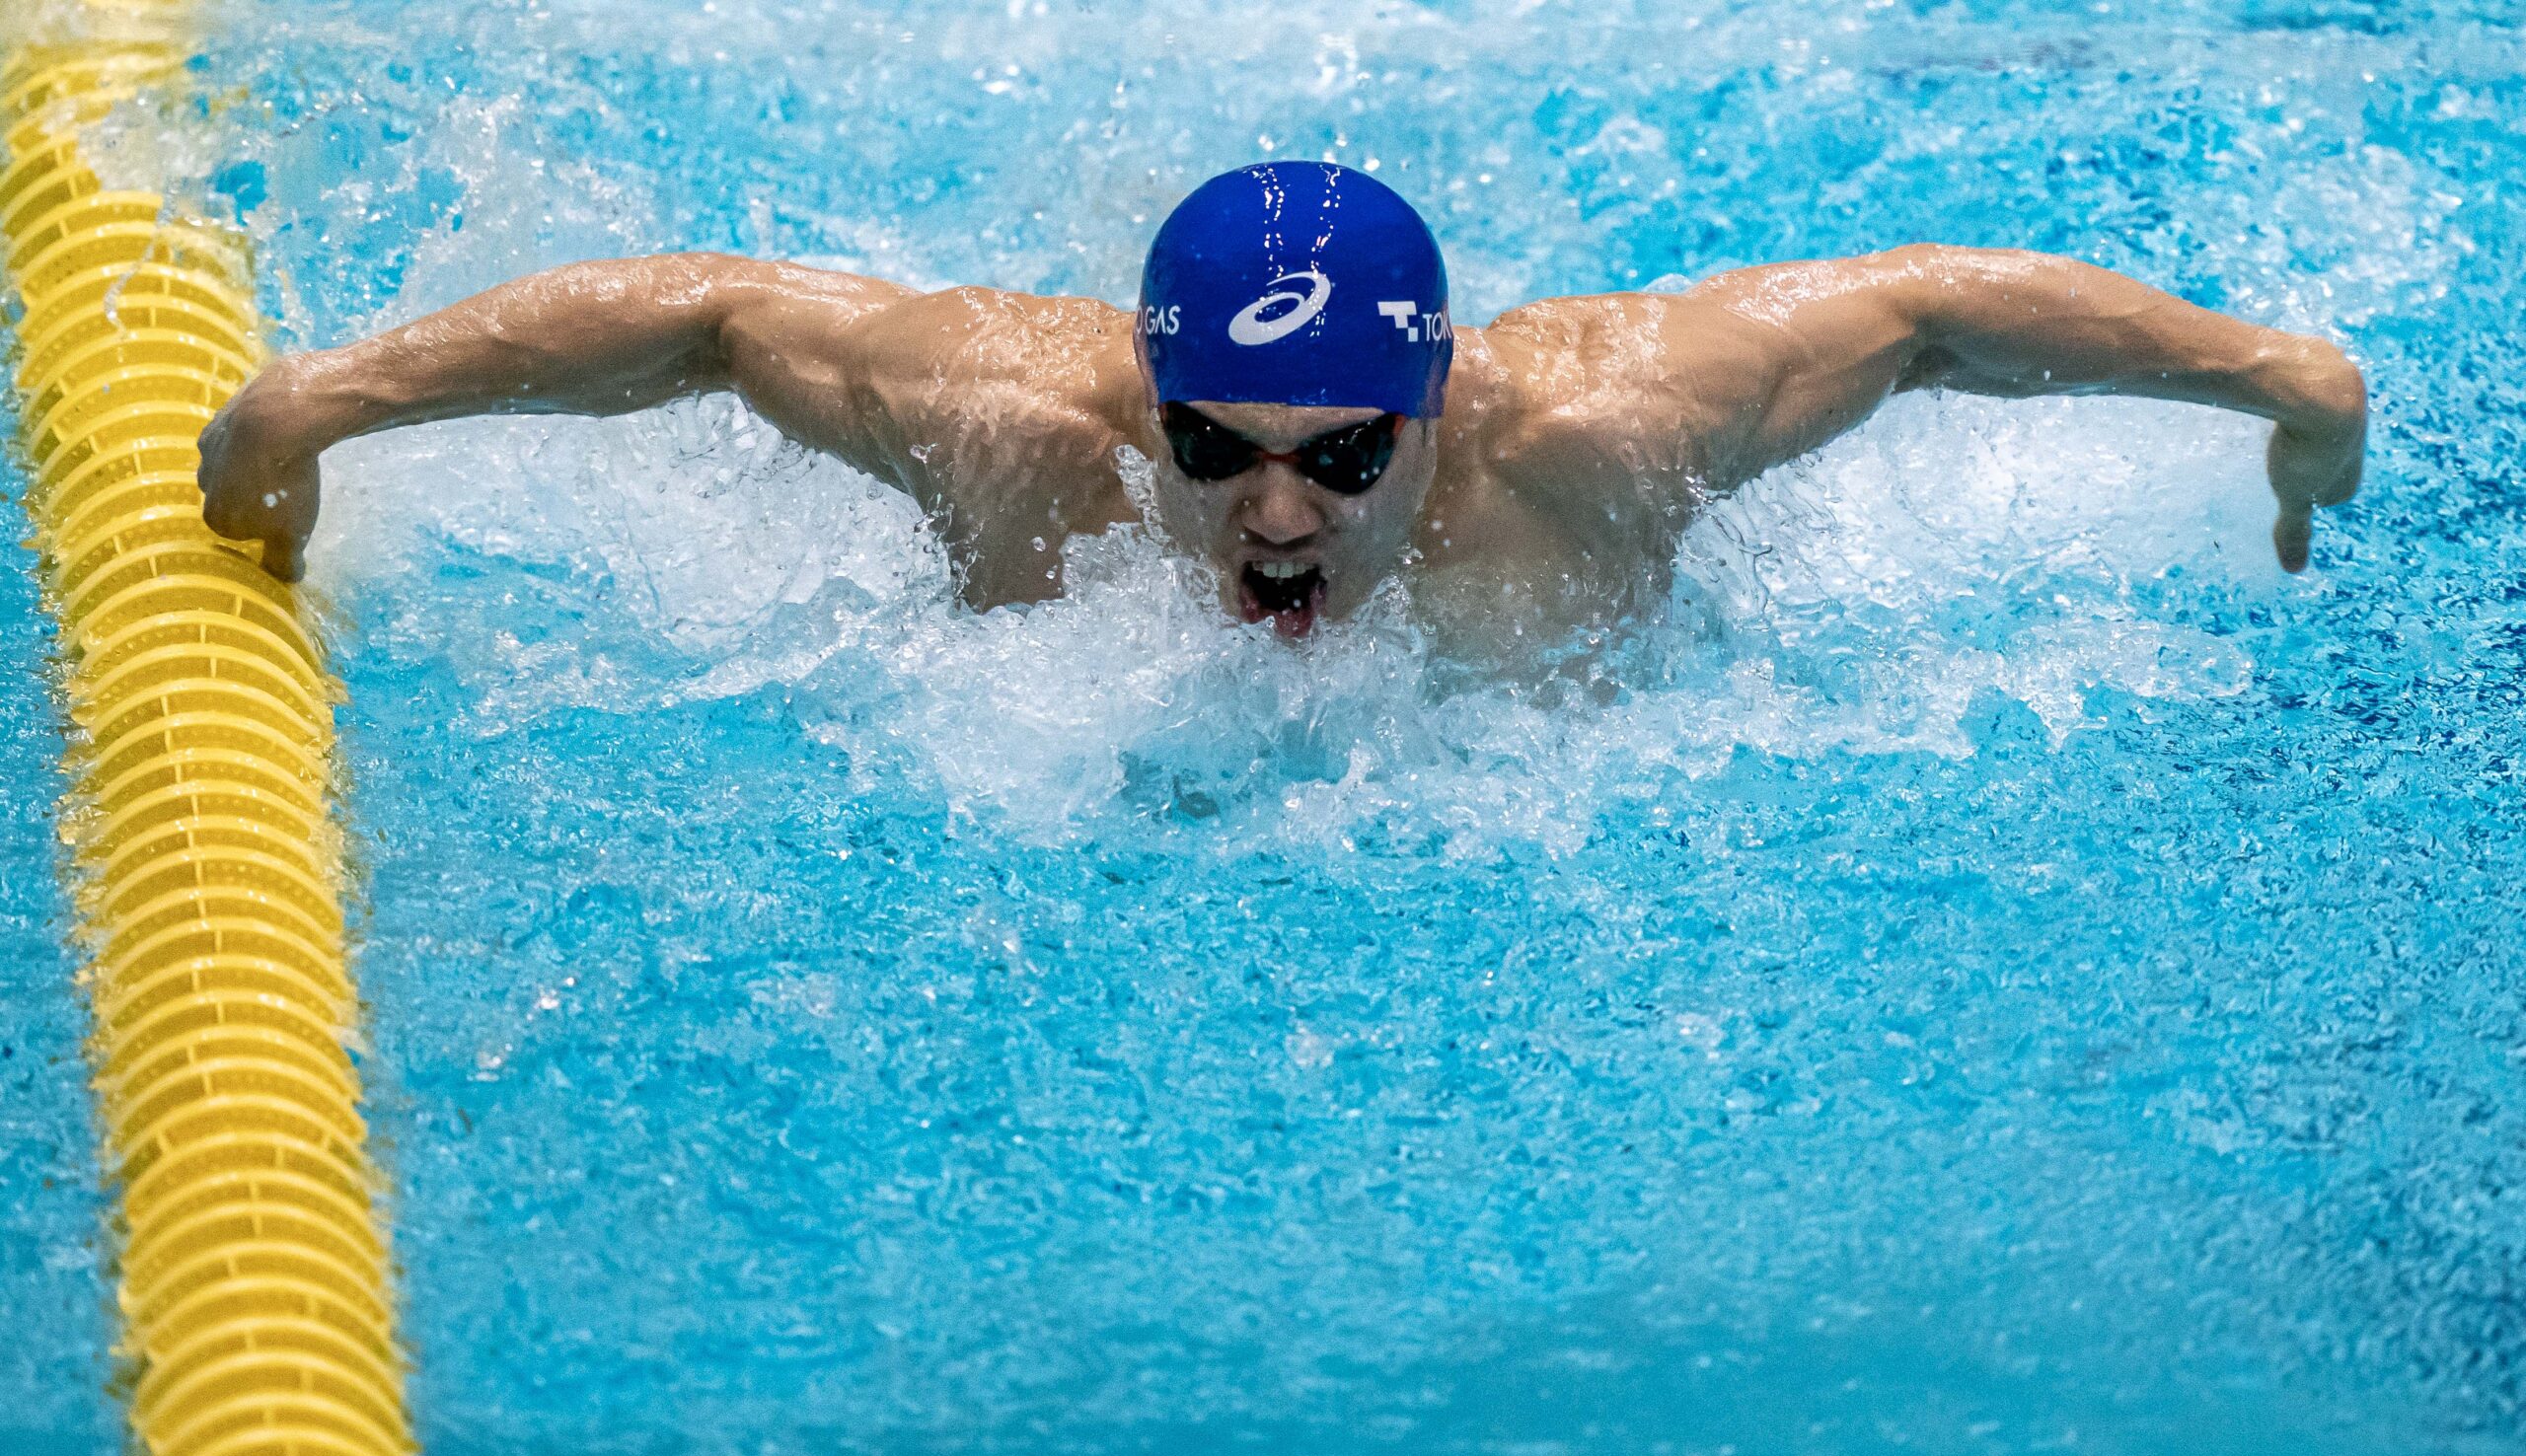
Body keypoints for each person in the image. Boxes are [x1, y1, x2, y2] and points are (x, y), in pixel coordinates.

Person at [198, 161, 2367, 648]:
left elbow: (1921, 305)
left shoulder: (1593, 435)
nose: (1272, 515)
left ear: (1436, 408)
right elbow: (707, 312)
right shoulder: (1018, 424)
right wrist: (327, 401)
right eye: (1209, 445)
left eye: (1341, 454)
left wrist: (2273, 377)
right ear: (1141, 399)